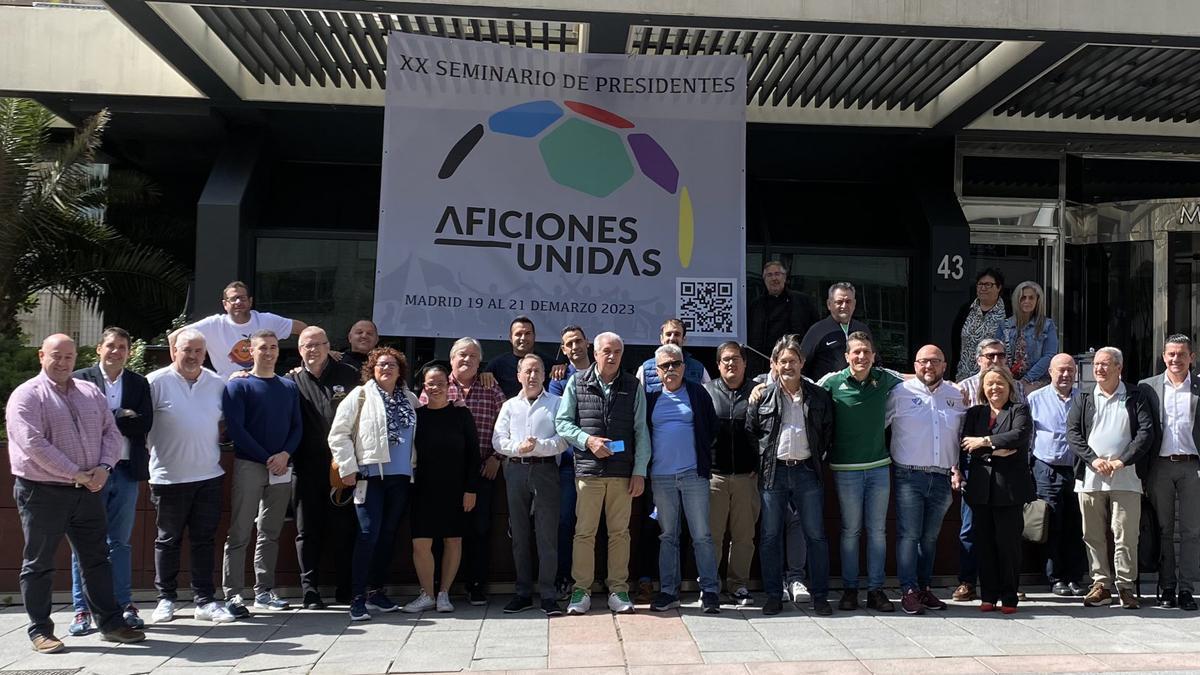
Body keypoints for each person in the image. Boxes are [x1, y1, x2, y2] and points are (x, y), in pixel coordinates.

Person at [5, 334, 146, 653]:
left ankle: (110, 624)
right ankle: (40, 630)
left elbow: (111, 431)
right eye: (57, 356)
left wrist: (105, 467)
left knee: (96, 558)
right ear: (42, 355)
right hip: (42, 491)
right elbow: (33, 444)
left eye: (69, 357)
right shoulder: (26, 395)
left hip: (88, 489)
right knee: (38, 562)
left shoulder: (89, 392)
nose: (64, 362)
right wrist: (77, 473)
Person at [554, 331, 650, 615]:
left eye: (617, 351)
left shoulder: (633, 385)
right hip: (588, 472)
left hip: (622, 473)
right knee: (584, 533)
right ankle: (580, 590)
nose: (612, 356)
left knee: (620, 533)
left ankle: (618, 590)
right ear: (594, 353)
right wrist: (588, 441)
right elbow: (562, 423)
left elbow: (641, 432)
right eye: (606, 351)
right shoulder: (576, 382)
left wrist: (640, 471)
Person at [145, 329, 235, 624]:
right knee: (168, 540)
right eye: (187, 350)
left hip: (208, 476)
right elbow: (142, 428)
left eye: (198, 350)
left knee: (204, 540)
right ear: (174, 351)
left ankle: (205, 601)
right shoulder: (155, 382)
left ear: (205, 353)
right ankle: (166, 599)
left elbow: (224, 422)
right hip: (168, 477)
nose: (193, 355)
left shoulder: (216, 383)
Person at [67, 327, 153, 635]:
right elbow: (78, 422)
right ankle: (82, 609)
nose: (116, 351)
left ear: (129, 352)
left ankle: (123, 605)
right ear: (99, 349)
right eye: (111, 346)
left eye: (122, 347)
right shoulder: (79, 379)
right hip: (90, 472)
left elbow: (145, 422)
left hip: (127, 470)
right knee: (86, 544)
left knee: (120, 542)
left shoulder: (138, 382)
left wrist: (106, 419)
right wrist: (120, 416)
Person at [328, 347, 420, 620]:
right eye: (381, 364)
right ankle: (357, 597)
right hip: (370, 477)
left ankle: (376, 592)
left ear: (400, 370)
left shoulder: (409, 398)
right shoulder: (360, 396)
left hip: (401, 477)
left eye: (392, 364)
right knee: (368, 534)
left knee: (389, 536)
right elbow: (338, 434)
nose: (386, 368)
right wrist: (347, 467)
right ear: (372, 368)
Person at [747, 336, 834, 616]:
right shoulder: (763, 396)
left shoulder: (818, 395)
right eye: (782, 361)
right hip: (775, 472)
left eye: (792, 360)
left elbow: (828, 432)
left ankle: (820, 596)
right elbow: (752, 432)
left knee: (816, 536)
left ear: (802, 363)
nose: (788, 366)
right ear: (774, 364)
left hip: (807, 471)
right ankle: (773, 595)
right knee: (770, 535)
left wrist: (819, 457)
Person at [818, 331, 903, 612]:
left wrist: (956, 384)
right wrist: (762, 383)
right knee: (850, 531)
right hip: (845, 470)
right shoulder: (832, 382)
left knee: (878, 532)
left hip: (879, 467)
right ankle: (850, 589)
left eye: (866, 351)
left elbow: (917, 380)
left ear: (873, 355)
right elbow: (802, 388)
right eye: (856, 352)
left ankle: (876, 590)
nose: (861, 357)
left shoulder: (884, 378)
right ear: (846, 357)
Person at [221, 330, 302, 617]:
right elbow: (237, 429)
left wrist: (284, 455)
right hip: (250, 465)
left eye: (273, 347)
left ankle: (264, 591)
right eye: (262, 347)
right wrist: (266, 457)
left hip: (281, 467)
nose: (268, 352)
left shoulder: (288, 387)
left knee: (270, 531)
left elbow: (297, 427)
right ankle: (233, 594)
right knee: (240, 530)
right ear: (250, 351)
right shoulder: (238, 386)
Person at [1067, 347, 1156, 610]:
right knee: (1092, 534)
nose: (1099, 369)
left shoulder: (1135, 395)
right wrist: (1093, 459)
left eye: (1105, 364)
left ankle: (1126, 587)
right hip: (1090, 477)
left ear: (1119, 367)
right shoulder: (1083, 396)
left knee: (1126, 534)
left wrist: (1122, 460)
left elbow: (1145, 432)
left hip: (1126, 476)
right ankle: (1101, 584)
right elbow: (1073, 433)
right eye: (1096, 364)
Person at [419, 337, 505, 606]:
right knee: (441, 532)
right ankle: (437, 589)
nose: (466, 360)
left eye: (472, 356)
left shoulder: (492, 389)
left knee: (479, 530)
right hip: (442, 477)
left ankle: (475, 584)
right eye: (461, 355)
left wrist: (497, 457)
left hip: (482, 471)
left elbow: (507, 425)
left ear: (480, 362)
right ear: (451, 359)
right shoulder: (437, 387)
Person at [886, 345, 965, 615]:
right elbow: (876, 427)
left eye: (934, 362)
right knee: (909, 536)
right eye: (922, 362)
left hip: (943, 476)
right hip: (909, 474)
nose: (928, 367)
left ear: (945, 365)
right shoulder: (899, 393)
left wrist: (958, 468)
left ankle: (924, 588)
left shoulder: (957, 394)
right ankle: (908, 590)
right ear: (915, 365)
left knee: (930, 538)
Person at [287, 326, 360, 609]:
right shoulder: (291, 381)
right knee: (307, 531)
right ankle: (310, 590)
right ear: (300, 350)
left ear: (329, 346)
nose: (313, 349)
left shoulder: (349, 376)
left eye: (319, 344)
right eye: (307, 345)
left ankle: (346, 588)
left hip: (342, 468)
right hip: (305, 468)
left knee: (344, 530)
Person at [645, 343, 721, 614]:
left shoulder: (698, 393)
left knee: (702, 535)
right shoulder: (650, 397)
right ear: (657, 370)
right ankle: (669, 591)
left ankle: (710, 590)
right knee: (668, 536)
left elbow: (712, 429)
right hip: (661, 477)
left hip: (693, 475)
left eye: (675, 364)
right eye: (664, 366)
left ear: (683, 367)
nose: (670, 370)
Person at [492, 354, 566, 616]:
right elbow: (498, 440)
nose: (532, 376)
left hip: (546, 472)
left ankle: (548, 594)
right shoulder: (510, 405)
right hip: (516, 470)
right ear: (519, 375)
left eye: (537, 371)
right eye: (527, 371)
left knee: (547, 536)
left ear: (545, 375)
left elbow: (563, 440)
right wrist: (518, 447)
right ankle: (522, 592)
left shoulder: (557, 403)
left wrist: (539, 447)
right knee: (519, 535)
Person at [403, 365, 480, 613]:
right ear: (423, 386)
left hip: (456, 488)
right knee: (421, 543)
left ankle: (444, 592)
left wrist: (471, 489)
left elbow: (473, 455)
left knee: (453, 539)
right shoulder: (417, 416)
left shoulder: (461, 415)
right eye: (430, 383)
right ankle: (427, 594)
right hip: (422, 488)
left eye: (440, 383)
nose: (435, 387)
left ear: (449, 385)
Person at [959, 366, 1034, 614]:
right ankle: (988, 595)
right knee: (984, 544)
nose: (994, 388)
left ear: (1009, 387)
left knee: (1008, 544)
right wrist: (996, 448)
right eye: (989, 384)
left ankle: (1009, 597)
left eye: (1000, 383)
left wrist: (985, 441)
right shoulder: (975, 413)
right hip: (980, 489)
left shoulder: (1019, 410)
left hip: (1008, 490)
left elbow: (1019, 436)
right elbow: (966, 444)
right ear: (982, 388)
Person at [953, 337, 1021, 602]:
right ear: (978, 358)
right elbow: (961, 437)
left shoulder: (1018, 390)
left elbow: (1022, 432)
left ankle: (1007, 585)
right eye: (990, 356)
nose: (995, 360)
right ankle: (968, 582)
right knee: (972, 529)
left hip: (1008, 475)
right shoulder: (962, 389)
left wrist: (986, 444)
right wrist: (956, 468)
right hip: (974, 470)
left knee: (1007, 534)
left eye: (1000, 355)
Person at [1139, 334, 1200, 611]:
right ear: (1163, 357)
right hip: (1160, 466)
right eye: (1171, 354)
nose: (1176, 359)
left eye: (1181, 354)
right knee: (1163, 530)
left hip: (1192, 466)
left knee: (1191, 531)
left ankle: (1187, 589)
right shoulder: (1147, 387)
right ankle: (1166, 587)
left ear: (1192, 357)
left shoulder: (1198, 387)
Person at [704, 342, 760, 606]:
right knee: (712, 536)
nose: (731, 364)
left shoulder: (757, 392)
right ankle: (711, 586)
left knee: (743, 537)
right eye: (725, 359)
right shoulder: (707, 392)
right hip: (714, 477)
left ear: (745, 363)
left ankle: (738, 584)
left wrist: (758, 467)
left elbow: (766, 434)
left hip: (746, 477)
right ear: (718, 364)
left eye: (736, 359)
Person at [1027, 354, 1088, 597]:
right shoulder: (1035, 398)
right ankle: (1055, 578)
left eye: (1070, 371)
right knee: (1051, 524)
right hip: (1046, 468)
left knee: (1077, 524)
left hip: (1077, 469)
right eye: (1061, 370)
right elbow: (1028, 436)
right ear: (1050, 372)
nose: (1065, 375)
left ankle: (1075, 577)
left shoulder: (1084, 398)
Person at [169, 280, 306, 378]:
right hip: (227, 390)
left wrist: (306, 365)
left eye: (242, 298)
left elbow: (304, 330)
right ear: (225, 304)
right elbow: (174, 337)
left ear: (250, 301)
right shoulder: (213, 324)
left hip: (262, 386)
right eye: (233, 299)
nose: (239, 302)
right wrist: (178, 371)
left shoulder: (267, 320)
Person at [549, 325, 590, 598]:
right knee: (565, 522)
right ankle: (564, 578)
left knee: (595, 524)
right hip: (567, 463)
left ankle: (596, 580)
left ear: (587, 343)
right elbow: (560, 419)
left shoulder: (604, 373)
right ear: (563, 350)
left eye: (578, 341)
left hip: (599, 462)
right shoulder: (558, 380)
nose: (574, 347)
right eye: (568, 344)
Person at [747, 260, 820, 373]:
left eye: (777, 274)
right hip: (763, 366)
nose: (774, 278)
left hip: (795, 364)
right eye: (769, 275)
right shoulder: (755, 306)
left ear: (785, 277)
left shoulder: (803, 302)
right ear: (764, 279)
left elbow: (815, 332)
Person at [800, 282, 872, 381]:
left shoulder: (862, 329)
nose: (844, 306)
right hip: (826, 393)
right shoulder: (817, 331)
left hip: (859, 393)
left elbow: (874, 361)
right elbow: (801, 365)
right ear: (829, 304)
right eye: (839, 302)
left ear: (854, 304)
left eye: (848, 301)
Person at [996, 281, 1058, 391]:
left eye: (1031, 298)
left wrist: (1027, 380)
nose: (1027, 301)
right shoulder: (1004, 326)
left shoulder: (1047, 325)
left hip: (1038, 383)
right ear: (1016, 300)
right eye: (1023, 298)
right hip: (1008, 382)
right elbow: (997, 356)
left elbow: (1049, 356)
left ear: (1037, 300)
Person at [952, 268, 1007, 381]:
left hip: (994, 377)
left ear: (999, 287)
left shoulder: (1008, 312)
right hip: (964, 376)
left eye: (988, 284)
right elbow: (956, 344)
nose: (983, 288)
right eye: (980, 284)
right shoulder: (966, 310)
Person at [637, 318, 712, 392]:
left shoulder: (698, 368)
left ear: (683, 339)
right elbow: (637, 399)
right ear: (661, 338)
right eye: (668, 334)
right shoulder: (645, 369)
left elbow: (709, 397)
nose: (672, 338)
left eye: (677, 334)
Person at [484, 315, 541, 398]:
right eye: (518, 334)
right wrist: (484, 374)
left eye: (527, 333)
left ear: (534, 336)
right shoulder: (496, 365)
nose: (523, 338)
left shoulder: (549, 364)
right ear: (510, 338)